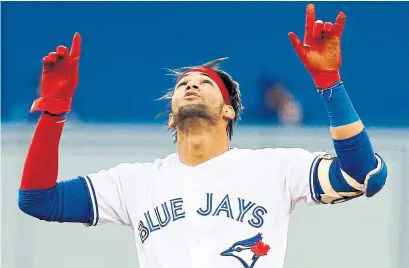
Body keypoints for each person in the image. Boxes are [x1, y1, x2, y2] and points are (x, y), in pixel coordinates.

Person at [18, 4, 388, 268]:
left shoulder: (274, 168)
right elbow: (38, 200)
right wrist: (54, 110)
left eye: (204, 83)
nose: (191, 85)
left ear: (229, 111)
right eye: (183, 85)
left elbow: (363, 175)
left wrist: (329, 83)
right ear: (170, 118)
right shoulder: (135, 183)